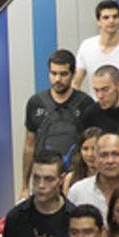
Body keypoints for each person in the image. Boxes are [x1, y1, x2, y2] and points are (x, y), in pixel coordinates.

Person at [22, 50, 96, 191]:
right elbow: (29, 146)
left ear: (73, 74)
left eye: (63, 74)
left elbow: (92, 147)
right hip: (43, 180)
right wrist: (24, 186)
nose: (57, 79)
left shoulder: (86, 104)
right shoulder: (35, 103)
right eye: (53, 73)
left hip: (77, 181)